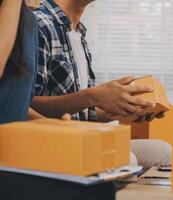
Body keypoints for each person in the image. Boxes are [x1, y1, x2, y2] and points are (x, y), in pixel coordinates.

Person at [32, 0, 172, 170]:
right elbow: (24, 104)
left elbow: (82, 113)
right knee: (126, 160)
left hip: (82, 136)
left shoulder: (78, 34)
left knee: (164, 151)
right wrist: (92, 96)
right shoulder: (39, 24)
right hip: (51, 142)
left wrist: (124, 109)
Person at [0, 1, 116, 199]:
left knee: (101, 185)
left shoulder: (28, 20)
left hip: (15, 149)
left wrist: (63, 129)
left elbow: (17, 102)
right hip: (11, 153)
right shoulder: (31, 19)